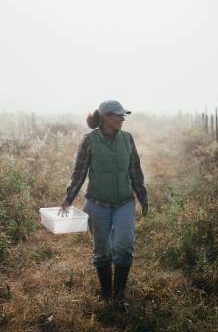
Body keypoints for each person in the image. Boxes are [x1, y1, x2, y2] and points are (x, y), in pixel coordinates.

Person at [59, 100, 148, 305]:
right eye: (118, 115)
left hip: (124, 202)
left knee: (124, 246)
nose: (122, 118)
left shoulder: (127, 138)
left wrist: (142, 196)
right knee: (102, 251)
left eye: (123, 115)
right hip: (97, 204)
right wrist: (68, 199)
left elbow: (135, 170)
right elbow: (79, 172)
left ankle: (119, 295)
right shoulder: (89, 140)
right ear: (106, 117)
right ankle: (107, 295)